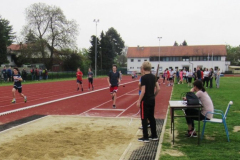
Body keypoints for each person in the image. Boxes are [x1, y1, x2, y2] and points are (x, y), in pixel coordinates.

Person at [136, 61, 160, 142]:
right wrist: (153, 95)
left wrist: (139, 100)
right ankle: (154, 135)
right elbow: (158, 89)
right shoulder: (154, 77)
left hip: (145, 100)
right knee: (151, 117)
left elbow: (143, 91)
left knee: (144, 117)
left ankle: (145, 137)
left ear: (143, 68)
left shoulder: (144, 78)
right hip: (152, 99)